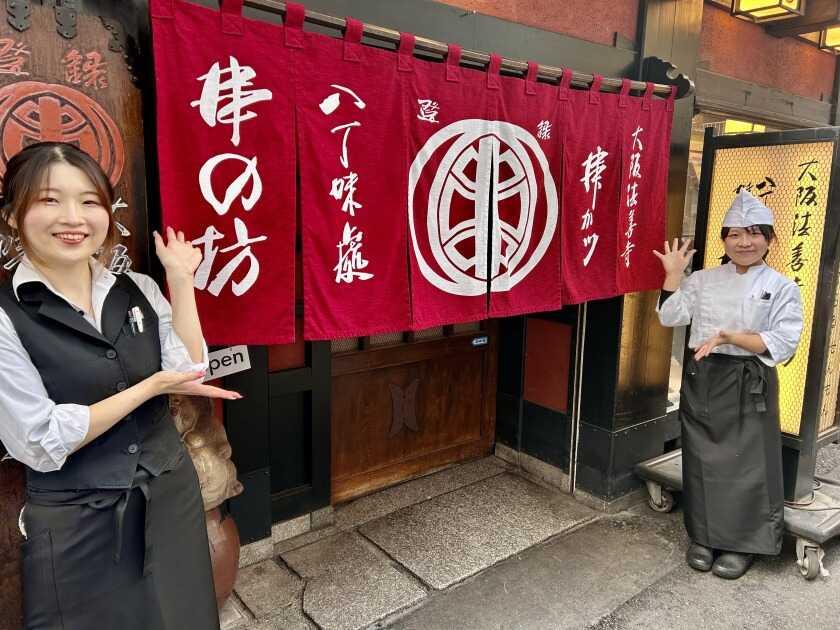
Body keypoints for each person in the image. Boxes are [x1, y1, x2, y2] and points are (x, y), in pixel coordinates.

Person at [0, 141, 241, 629]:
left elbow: (190, 370)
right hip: (79, 519)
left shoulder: (138, 290)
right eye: (50, 200)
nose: (74, 217)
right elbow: (38, 439)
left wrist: (180, 279)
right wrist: (148, 387)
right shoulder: (6, 315)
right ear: (12, 217)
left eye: (90, 201)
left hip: (171, 494)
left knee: (186, 615)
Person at [654, 189, 803, 580]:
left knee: (750, 462)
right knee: (702, 458)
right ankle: (703, 537)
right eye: (735, 234)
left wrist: (730, 337)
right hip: (703, 377)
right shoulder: (702, 280)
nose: (744, 242)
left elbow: (783, 341)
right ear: (724, 240)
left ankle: (744, 543)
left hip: (749, 380)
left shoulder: (783, 287)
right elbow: (670, 318)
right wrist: (673, 276)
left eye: (754, 234)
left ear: (770, 240)